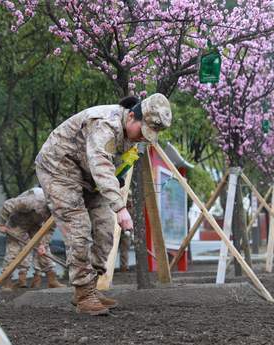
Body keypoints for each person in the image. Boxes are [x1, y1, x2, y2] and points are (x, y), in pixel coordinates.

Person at [35, 93, 172, 315]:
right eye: (143, 131)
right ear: (131, 117)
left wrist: (116, 199)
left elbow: (115, 168)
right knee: (78, 227)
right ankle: (83, 293)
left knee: (105, 228)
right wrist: (120, 207)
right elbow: (100, 164)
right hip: (59, 169)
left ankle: (91, 286)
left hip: (88, 176)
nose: (143, 138)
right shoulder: (104, 123)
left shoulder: (133, 136)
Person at [0, 187, 65, 291]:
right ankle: (7, 282)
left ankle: (52, 280)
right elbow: (7, 205)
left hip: (36, 223)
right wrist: (1, 224)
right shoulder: (32, 201)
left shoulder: (57, 210)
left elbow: (50, 229)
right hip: (19, 221)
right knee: (13, 249)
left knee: (43, 250)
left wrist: (43, 243)